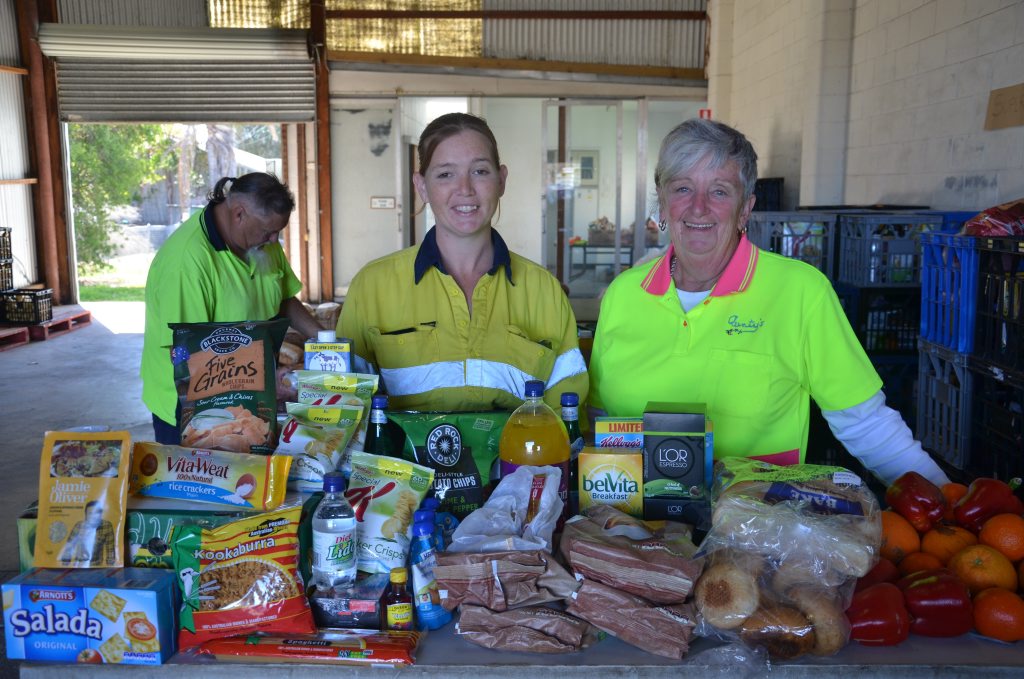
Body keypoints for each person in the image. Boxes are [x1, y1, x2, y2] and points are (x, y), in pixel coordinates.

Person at [588, 118, 949, 487]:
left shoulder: (800, 292)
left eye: (719, 191)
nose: (698, 208)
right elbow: (599, 417)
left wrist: (945, 499)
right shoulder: (623, 295)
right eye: (683, 188)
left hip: (755, 516)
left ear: (745, 208)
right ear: (662, 204)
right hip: (630, 516)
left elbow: (866, 423)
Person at [338, 112, 588, 412]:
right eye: (446, 174)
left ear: (501, 180)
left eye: (480, 171)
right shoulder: (372, 287)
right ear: (421, 186)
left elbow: (566, 416)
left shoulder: (544, 291)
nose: (465, 189)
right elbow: (344, 408)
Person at [141, 172, 322, 443]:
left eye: (278, 231)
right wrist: (264, 381)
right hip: (190, 402)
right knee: (204, 469)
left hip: (249, 389)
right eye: (268, 232)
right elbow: (185, 355)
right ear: (239, 214)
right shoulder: (187, 263)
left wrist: (328, 342)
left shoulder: (261, 242)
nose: (274, 240)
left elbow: (283, 298)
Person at [59, 500, 115, 567]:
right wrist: (65, 562)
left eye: (96, 513)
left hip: (96, 565)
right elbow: (69, 545)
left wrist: (111, 565)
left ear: (101, 514)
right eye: (90, 513)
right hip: (79, 564)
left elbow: (110, 549)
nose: (93, 516)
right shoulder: (79, 526)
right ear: (86, 515)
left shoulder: (107, 526)